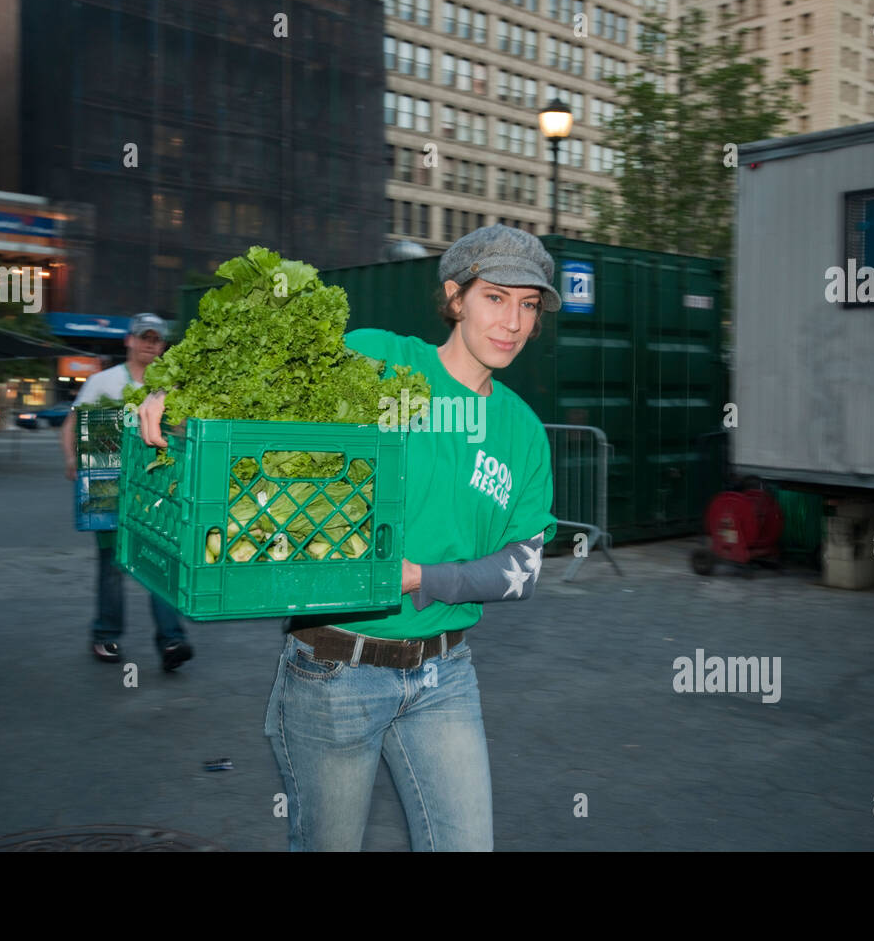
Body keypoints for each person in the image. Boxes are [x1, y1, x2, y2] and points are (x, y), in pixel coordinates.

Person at [138, 225, 559, 850]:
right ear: (455, 296)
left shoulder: (522, 430)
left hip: (446, 674)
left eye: (528, 305)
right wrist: (175, 392)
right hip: (335, 670)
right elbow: (264, 383)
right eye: (495, 297)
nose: (514, 322)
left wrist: (424, 577)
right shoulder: (380, 359)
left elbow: (524, 564)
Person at [62, 313, 194, 672]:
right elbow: (74, 423)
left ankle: (171, 641)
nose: (151, 344)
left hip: (154, 486)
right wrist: (73, 458)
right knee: (113, 565)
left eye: (157, 339)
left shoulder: (170, 385)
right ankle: (105, 634)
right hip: (109, 486)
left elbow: (182, 431)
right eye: (144, 337)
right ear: (129, 341)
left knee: (161, 559)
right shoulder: (102, 382)